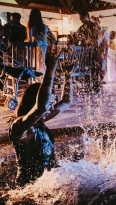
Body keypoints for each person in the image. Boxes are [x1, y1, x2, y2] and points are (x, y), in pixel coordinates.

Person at [8, 46, 74, 186]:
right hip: (29, 188)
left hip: (48, 185)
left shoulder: (39, 120)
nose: (52, 103)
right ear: (34, 102)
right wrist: (50, 68)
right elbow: (42, 106)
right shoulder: (19, 126)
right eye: (50, 99)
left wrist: (68, 75)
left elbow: (67, 101)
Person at [72, 10, 100, 92]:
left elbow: (76, 38)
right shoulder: (94, 26)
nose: (80, 19)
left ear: (86, 17)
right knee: (94, 68)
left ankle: (87, 84)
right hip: (94, 51)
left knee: (84, 66)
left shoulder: (82, 27)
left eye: (81, 17)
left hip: (86, 52)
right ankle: (95, 86)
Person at [28, 8, 57, 74]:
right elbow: (54, 39)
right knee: (42, 63)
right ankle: (42, 78)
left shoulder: (32, 27)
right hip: (44, 47)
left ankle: (37, 79)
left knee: (35, 64)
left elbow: (30, 40)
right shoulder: (45, 27)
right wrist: (47, 42)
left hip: (35, 48)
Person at [92, 16, 109, 84]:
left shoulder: (104, 31)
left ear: (99, 22)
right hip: (95, 51)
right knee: (96, 65)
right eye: (94, 24)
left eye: (96, 23)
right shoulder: (93, 32)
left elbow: (107, 43)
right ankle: (97, 79)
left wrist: (106, 53)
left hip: (102, 51)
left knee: (103, 65)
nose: (95, 25)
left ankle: (101, 79)